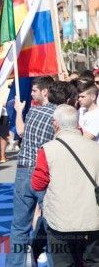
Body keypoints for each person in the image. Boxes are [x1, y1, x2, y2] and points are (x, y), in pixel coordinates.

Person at [6, 77, 68, 266]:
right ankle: (53, 260)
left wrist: (18, 112)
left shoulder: (34, 111)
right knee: (52, 224)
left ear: (45, 92)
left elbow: (21, 131)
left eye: (34, 91)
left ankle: (15, 263)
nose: (31, 94)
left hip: (25, 171)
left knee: (19, 226)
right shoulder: (58, 115)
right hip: (44, 172)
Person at [32, 104, 99, 266]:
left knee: (64, 263)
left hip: (61, 221)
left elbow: (37, 184)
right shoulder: (95, 148)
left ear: (55, 124)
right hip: (93, 219)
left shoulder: (48, 150)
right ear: (78, 124)